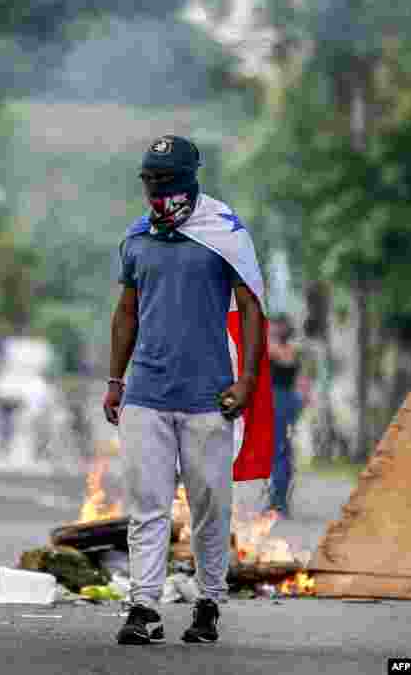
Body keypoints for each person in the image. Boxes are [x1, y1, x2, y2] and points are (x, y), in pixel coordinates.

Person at [104, 135, 272, 646]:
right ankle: (144, 607)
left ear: (190, 180)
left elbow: (250, 307)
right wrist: (116, 380)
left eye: (167, 182)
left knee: (209, 508)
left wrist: (246, 381)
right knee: (147, 507)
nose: (157, 192)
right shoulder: (137, 237)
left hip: (209, 398)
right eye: (150, 183)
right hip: (146, 397)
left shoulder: (224, 232)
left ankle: (208, 603)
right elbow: (127, 311)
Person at [266, 314, 305, 517]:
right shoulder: (289, 349)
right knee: (281, 450)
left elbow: (274, 353)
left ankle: (278, 500)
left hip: (280, 401)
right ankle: (278, 499)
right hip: (283, 400)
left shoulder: (283, 349)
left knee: (279, 450)